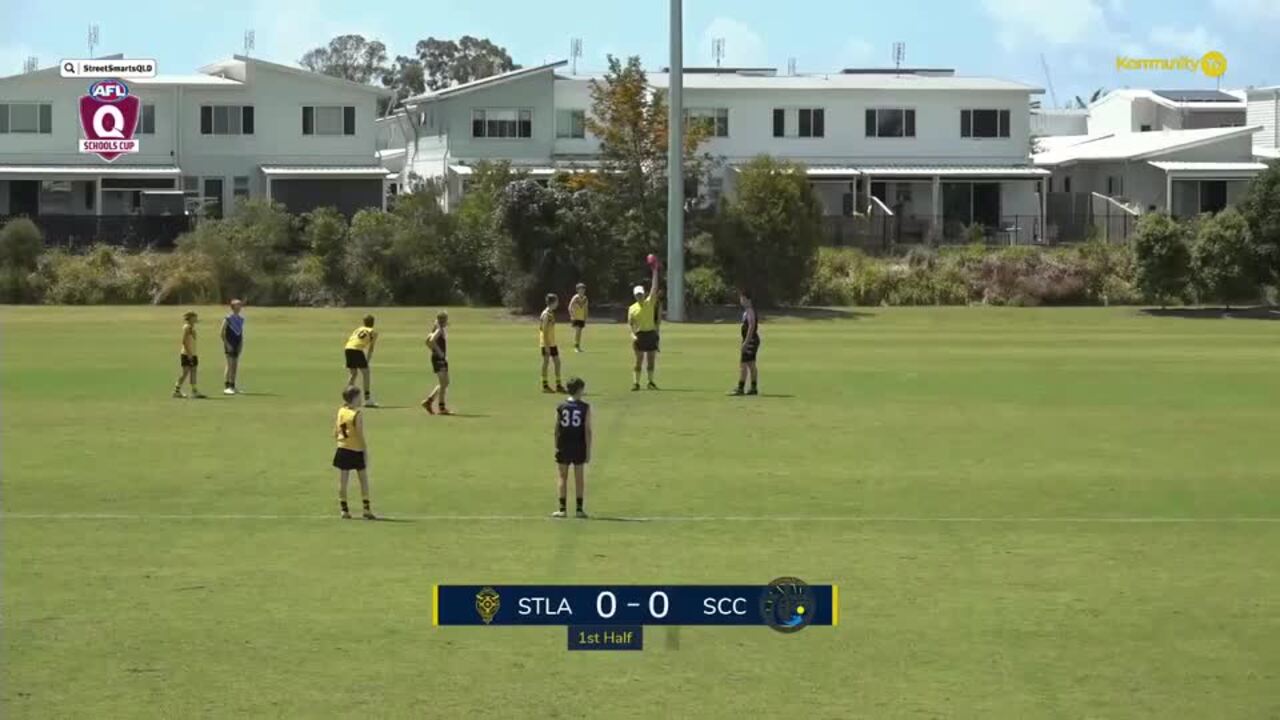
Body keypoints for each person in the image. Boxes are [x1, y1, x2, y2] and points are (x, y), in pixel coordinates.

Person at [333, 386, 376, 520]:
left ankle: (344, 509)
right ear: (353, 398)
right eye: (359, 397)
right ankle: (366, 509)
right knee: (363, 479)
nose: (360, 399)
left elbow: (335, 431)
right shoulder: (357, 414)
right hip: (355, 449)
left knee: (343, 480)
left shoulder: (341, 411)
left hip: (342, 448)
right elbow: (359, 434)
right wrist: (364, 450)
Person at [553, 377, 592, 519]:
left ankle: (562, 509)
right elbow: (587, 430)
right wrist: (588, 450)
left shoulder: (561, 406)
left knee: (562, 477)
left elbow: (557, 428)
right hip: (578, 445)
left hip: (563, 444)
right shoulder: (584, 407)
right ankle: (579, 509)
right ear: (580, 390)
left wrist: (556, 445)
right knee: (579, 477)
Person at [628, 262, 661, 391]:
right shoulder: (632, 308)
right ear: (634, 295)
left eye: (641, 294)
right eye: (637, 295)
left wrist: (655, 271)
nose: (639, 296)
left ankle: (650, 382)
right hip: (640, 335)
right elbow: (630, 323)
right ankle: (636, 383)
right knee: (639, 360)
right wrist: (632, 334)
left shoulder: (649, 303)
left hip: (651, 333)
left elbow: (654, 287)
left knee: (651, 360)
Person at [344, 315, 379, 408]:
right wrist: (367, 361)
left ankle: (347, 399)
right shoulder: (373, 332)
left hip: (348, 348)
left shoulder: (358, 329)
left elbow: (352, 339)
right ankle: (367, 399)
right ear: (373, 322)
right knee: (366, 373)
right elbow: (371, 348)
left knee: (353, 374)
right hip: (357, 350)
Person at [731, 290, 761, 396]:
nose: (741, 301)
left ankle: (740, 388)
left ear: (748, 300)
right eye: (741, 299)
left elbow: (752, 326)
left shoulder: (750, 311)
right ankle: (753, 388)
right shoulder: (747, 311)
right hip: (752, 340)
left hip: (751, 340)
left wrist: (746, 342)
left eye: (743, 299)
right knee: (751, 364)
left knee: (743, 364)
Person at [422, 311, 452, 415]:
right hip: (439, 359)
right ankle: (441, 408)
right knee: (444, 383)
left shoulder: (436, 329)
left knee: (445, 383)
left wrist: (435, 351)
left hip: (439, 358)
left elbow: (427, 342)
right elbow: (431, 341)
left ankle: (429, 401)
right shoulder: (439, 330)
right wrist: (439, 353)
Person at [173, 311, 207, 399]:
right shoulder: (187, 327)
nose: (196, 319)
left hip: (193, 353)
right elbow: (184, 341)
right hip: (187, 354)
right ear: (191, 318)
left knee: (193, 371)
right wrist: (189, 354)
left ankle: (194, 391)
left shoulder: (192, 327)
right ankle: (177, 390)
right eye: (195, 317)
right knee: (185, 372)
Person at [539, 293, 566, 394]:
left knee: (557, 363)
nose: (557, 304)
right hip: (547, 343)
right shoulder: (546, 314)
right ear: (553, 302)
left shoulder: (550, 313)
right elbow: (544, 331)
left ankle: (558, 384)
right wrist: (546, 346)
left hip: (552, 343)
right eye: (556, 302)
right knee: (546, 363)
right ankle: (545, 385)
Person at [220, 299, 245, 395]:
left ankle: (233, 386)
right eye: (238, 305)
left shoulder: (241, 319)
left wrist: (241, 345)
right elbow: (222, 333)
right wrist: (227, 344)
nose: (240, 307)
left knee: (235, 365)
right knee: (230, 365)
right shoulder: (228, 318)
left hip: (237, 344)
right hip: (229, 344)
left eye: (240, 305)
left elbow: (240, 333)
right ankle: (227, 386)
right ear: (233, 307)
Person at [568, 283, 589, 352]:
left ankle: (578, 346)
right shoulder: (575, 298)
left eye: (583, 289)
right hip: (576, 317)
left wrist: (585, 317)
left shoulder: (585, 298)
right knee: (577, 331)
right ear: (577, 290)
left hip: (581, 318)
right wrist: (572, 315)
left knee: (579, 332)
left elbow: (586, 308)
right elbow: (570, 306)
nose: (582, 290)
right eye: (580, 289)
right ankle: (576, 347)